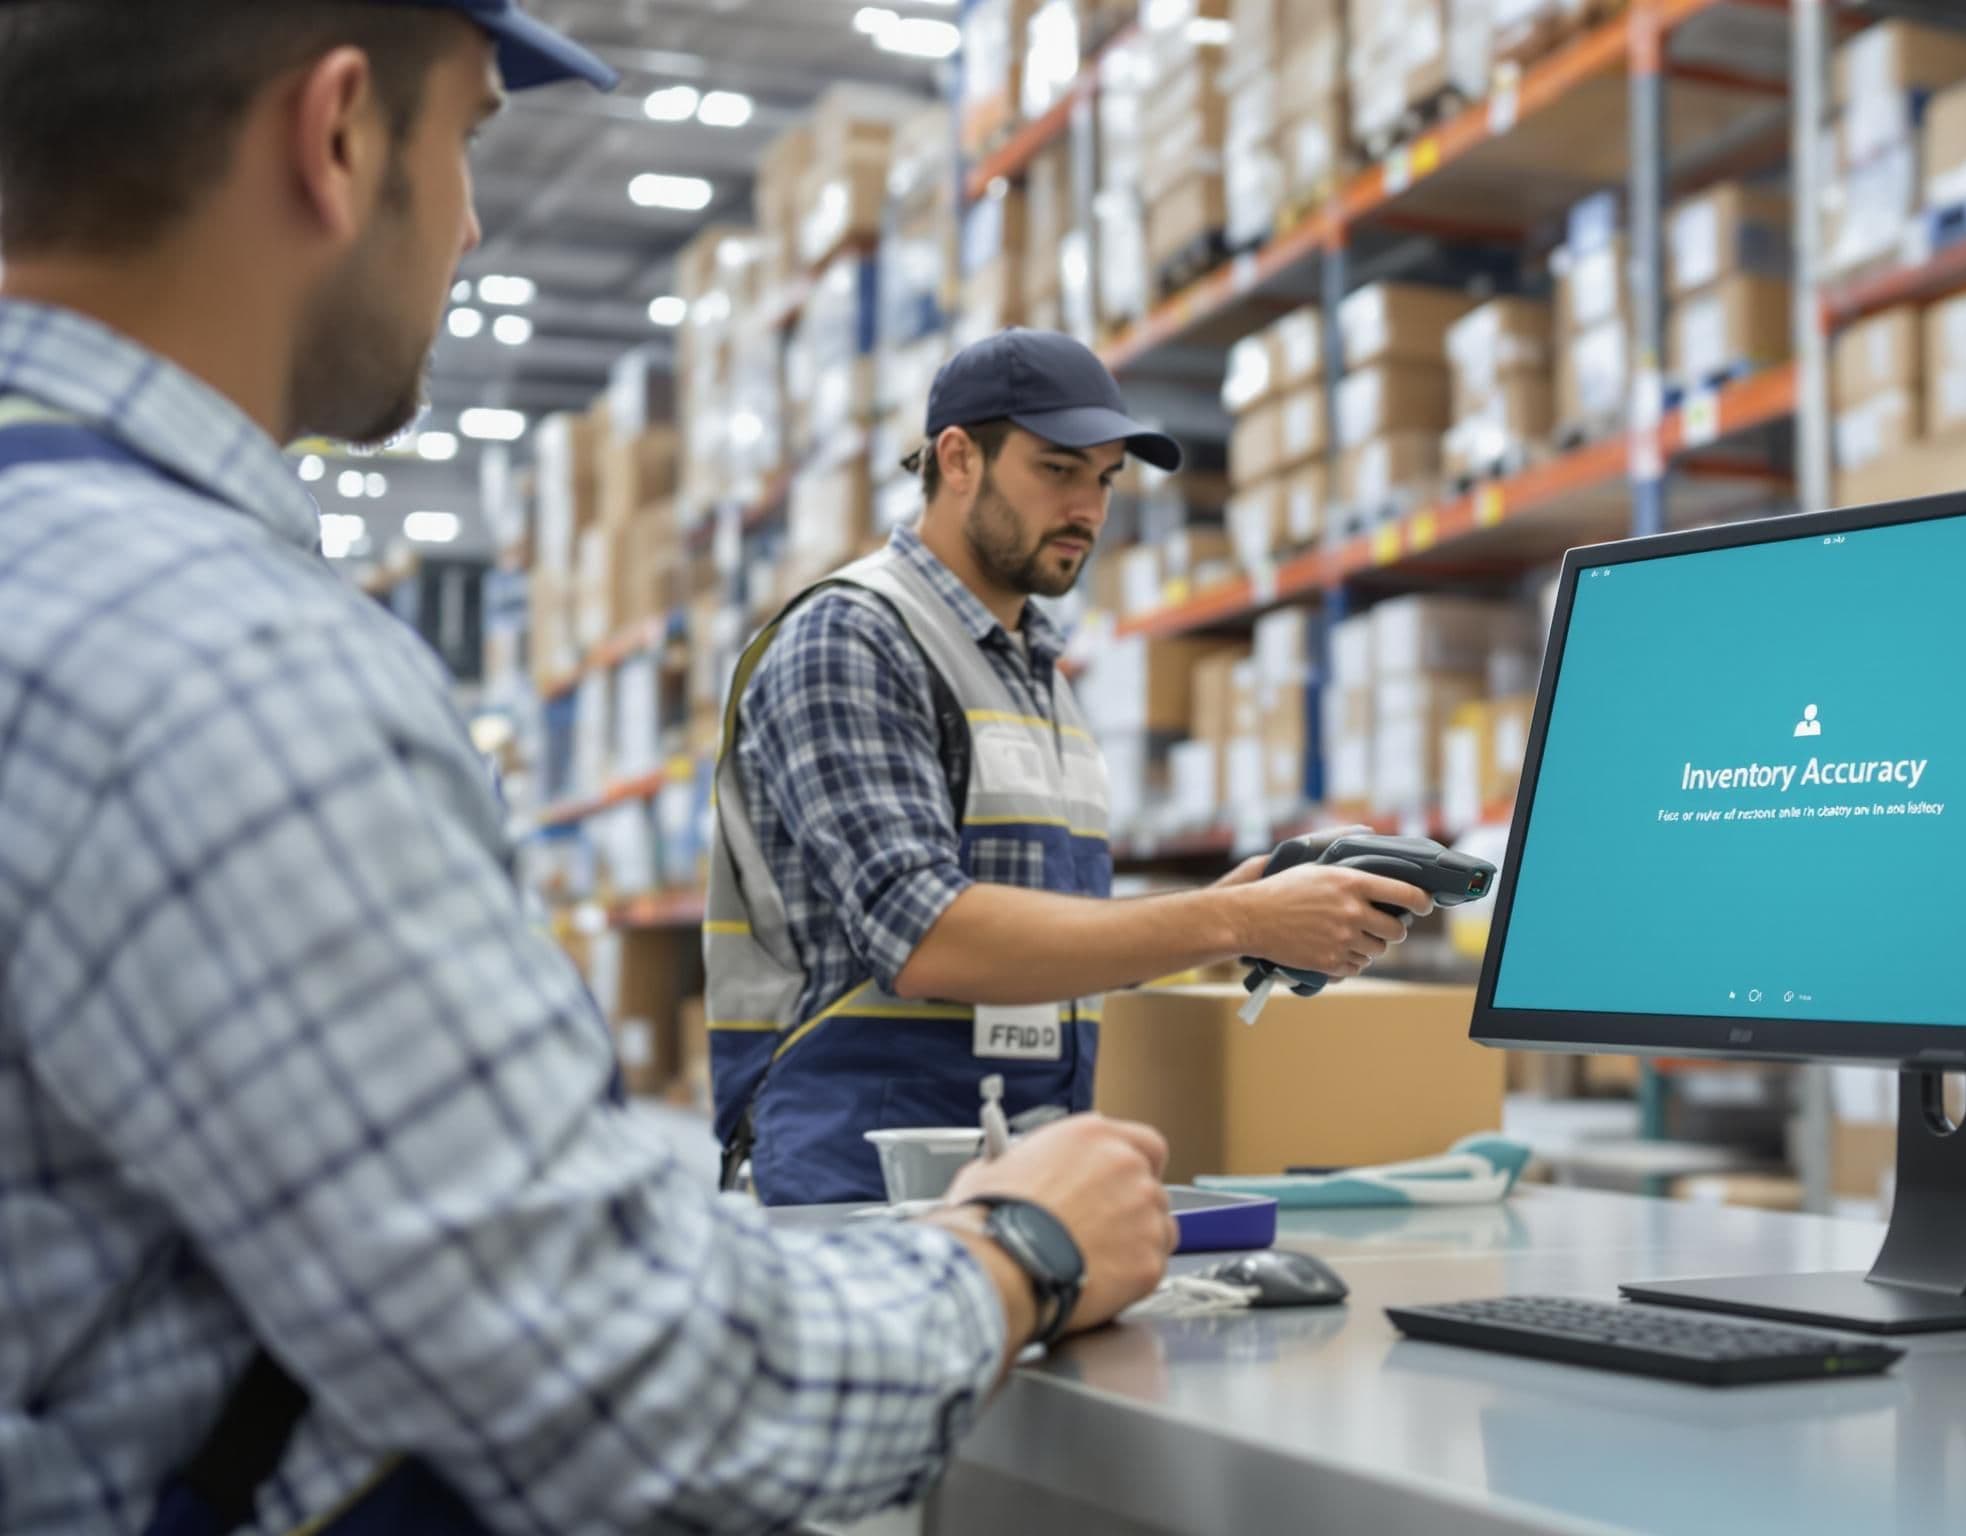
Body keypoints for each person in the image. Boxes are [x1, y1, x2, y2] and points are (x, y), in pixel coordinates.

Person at [0, 4, 1179, 1532]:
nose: (477, 223)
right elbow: (613, 1381)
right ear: (339, 134)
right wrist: (1019, 1251)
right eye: (468, 141)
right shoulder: (221, 664)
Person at [710, 328, 1435, 1206]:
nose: (1089, 508)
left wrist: (1230, 924)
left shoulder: (1034, 673)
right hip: (862, 1171)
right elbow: (930, 937)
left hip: (1024, 1157)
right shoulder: (851, 638)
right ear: (958, 458)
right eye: (1058, 470)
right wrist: (1228, 918)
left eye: (1104, 479)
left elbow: (1049, 942)